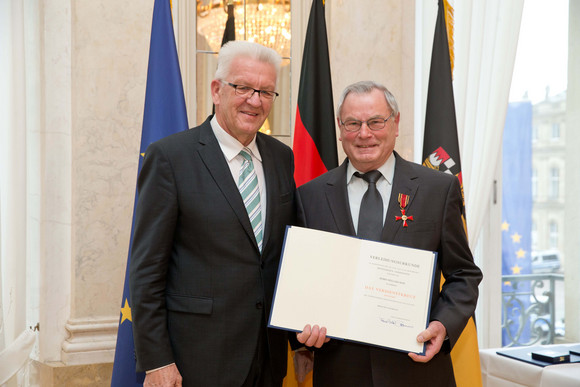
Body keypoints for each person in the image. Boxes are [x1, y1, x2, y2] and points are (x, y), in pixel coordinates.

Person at [129, 40, 296, 387]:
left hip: (267, 357)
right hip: (198, 359)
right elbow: (146, 270)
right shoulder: (171, 158)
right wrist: (157, 360)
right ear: (217, 90)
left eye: (266, 91)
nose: (255, 100)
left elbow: (281, 255)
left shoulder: (282, 157)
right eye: (243, 87)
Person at [294, 81, 483, 386]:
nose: (364, 133)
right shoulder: (309, 196)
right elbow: (301, 280)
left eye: (376, 122)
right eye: (353, 123)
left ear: (395, 124)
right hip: (340, 372)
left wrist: (443, 325)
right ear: (340, 129)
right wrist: (300, 328)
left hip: (418, 371)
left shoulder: (439, 189)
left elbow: (464, 274)